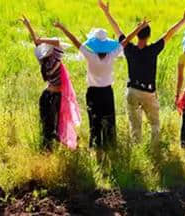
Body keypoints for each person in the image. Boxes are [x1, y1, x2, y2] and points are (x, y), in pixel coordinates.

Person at [98, 0, 185, 144]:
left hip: (132, 91)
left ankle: (137, 150)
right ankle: (155, 149)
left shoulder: (129, 49)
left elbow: (117, 29)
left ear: (137, 35)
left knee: (135, 127)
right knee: (155, 124)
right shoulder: (153, 50)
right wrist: (184, 19)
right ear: (149, 36)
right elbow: (169, 33)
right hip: (148, 92)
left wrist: (106, 12)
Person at [54, 19, 149, 149]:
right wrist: (139, 28)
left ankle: (95, 145)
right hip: (107, 92)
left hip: (93, 93)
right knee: (109, 120)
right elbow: (126, 40)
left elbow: (74, 40)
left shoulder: (89, 55)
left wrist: (62, 27)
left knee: (94, 121)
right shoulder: (111, 55)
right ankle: (109, 145)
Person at [20, 15, 81, 150]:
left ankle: (48, 150)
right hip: (53, 97)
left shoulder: (44, 62)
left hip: (49, 96)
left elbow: (38, 44)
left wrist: (29, 27)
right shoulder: (55, 60)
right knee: (53, 127)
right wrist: (39, 38)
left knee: (50, 127)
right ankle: (48, 152)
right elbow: (58, 42)